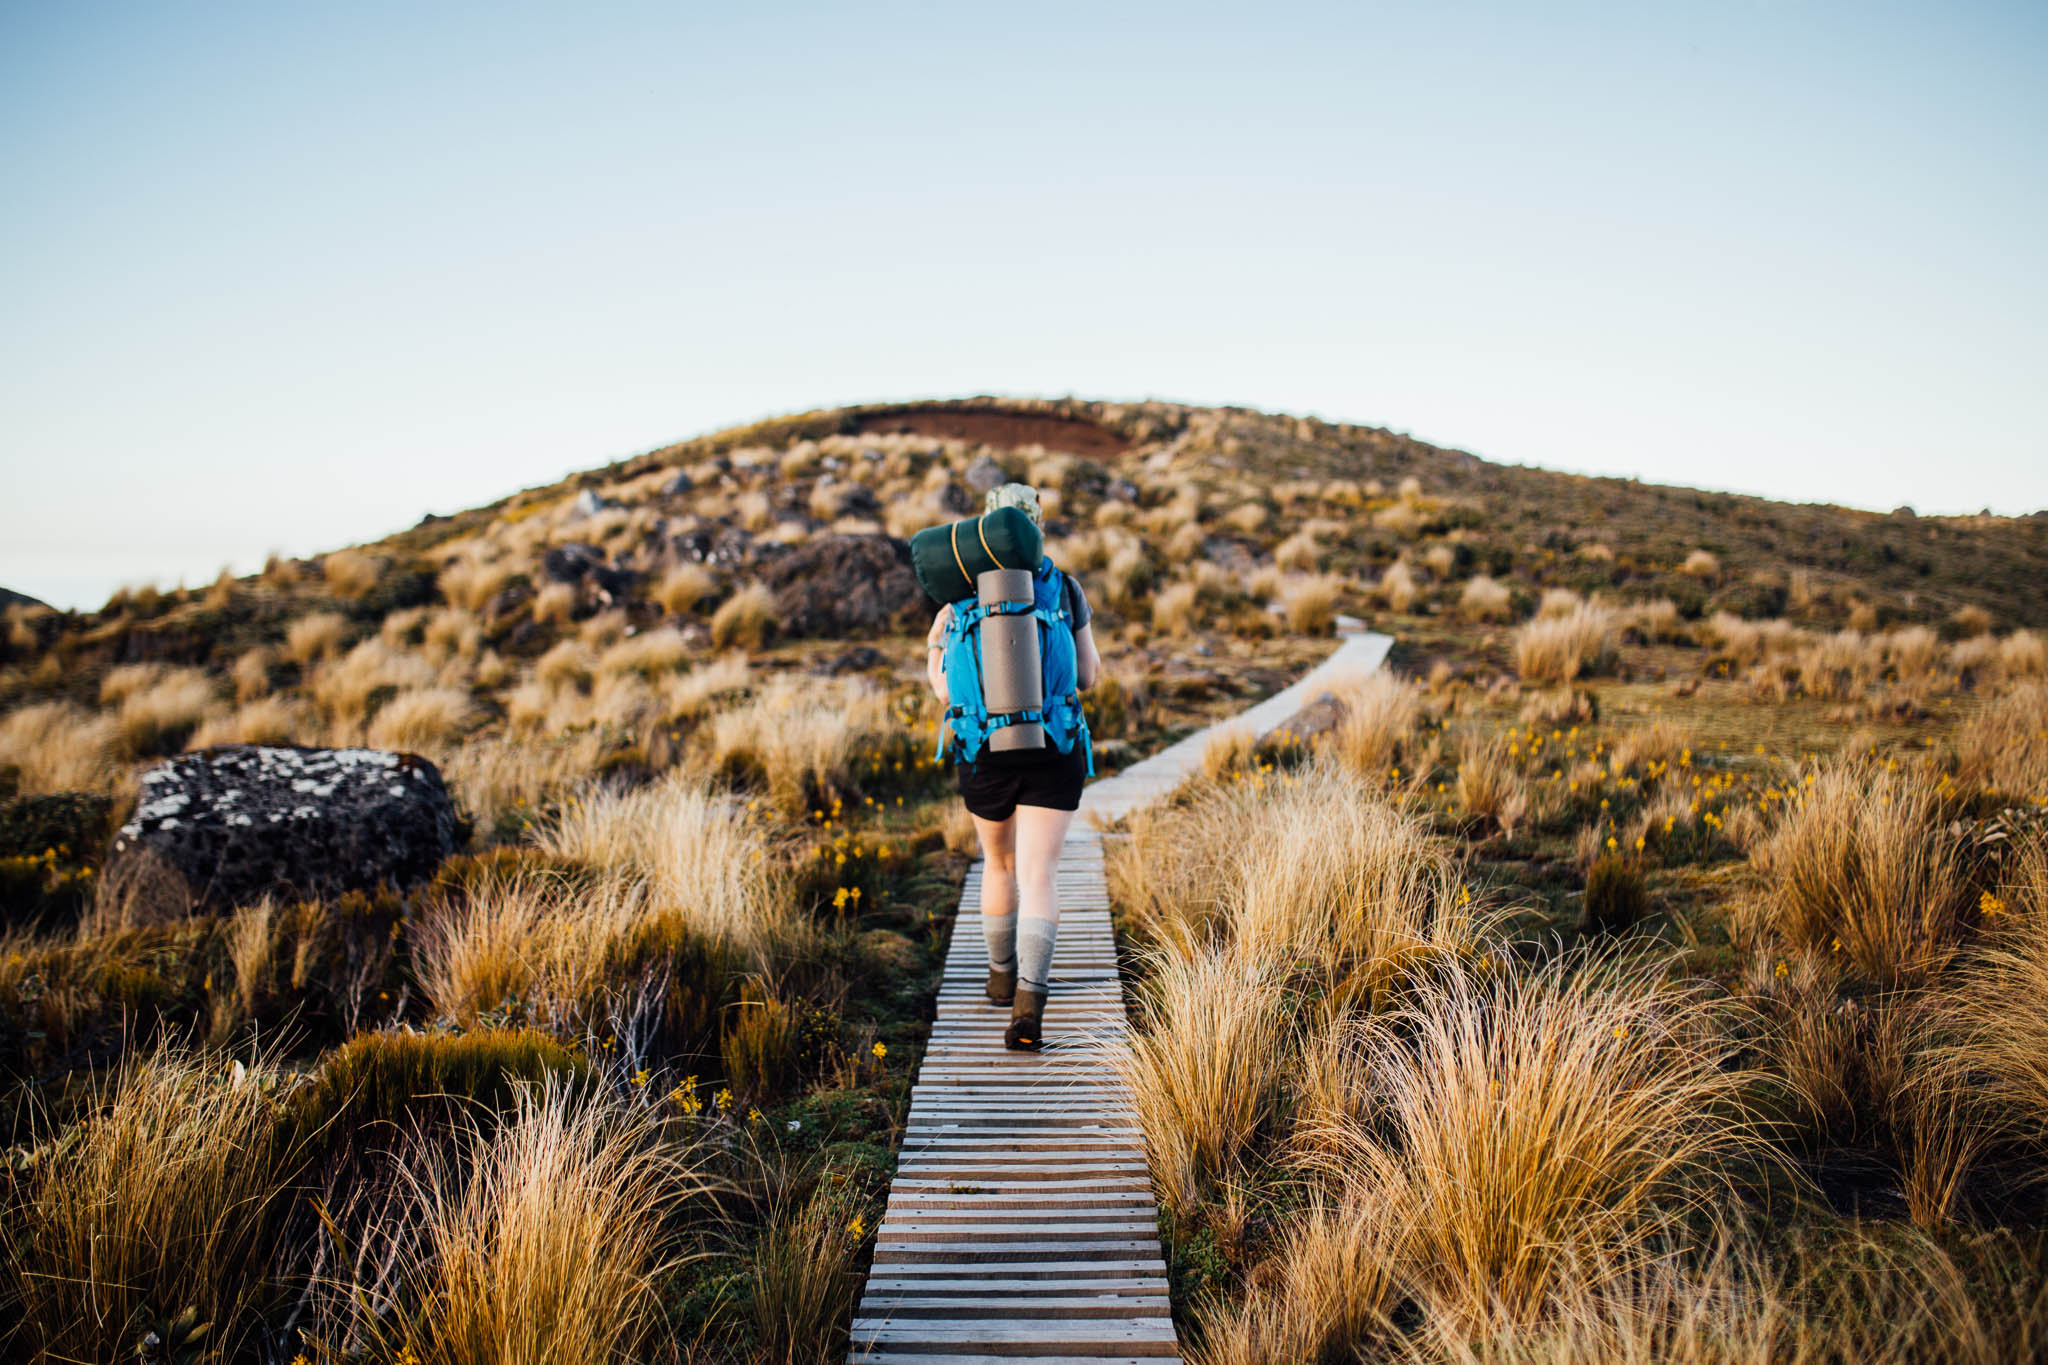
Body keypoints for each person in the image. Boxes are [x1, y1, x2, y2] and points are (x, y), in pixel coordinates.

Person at [925, 483, 1100, 1050]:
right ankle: (1029, 1000)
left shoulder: (958, 597)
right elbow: (1088, 678)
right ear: (1036, 526)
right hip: (1055, 745)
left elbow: (944, 689)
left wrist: (933, 654)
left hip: (983, 752)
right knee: (1040, 873)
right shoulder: (1066, 589)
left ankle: (999, 978)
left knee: (997, 866)